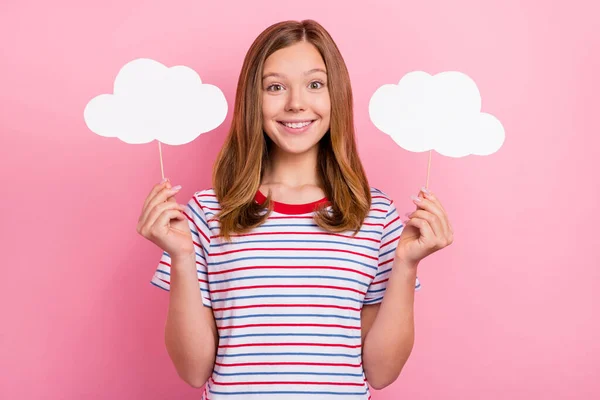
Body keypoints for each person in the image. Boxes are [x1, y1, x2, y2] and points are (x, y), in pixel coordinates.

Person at [137, 19, 453, 399]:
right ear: (254, 100)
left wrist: (406, 264)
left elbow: (381, 373)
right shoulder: (206, 214)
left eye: (315, 84)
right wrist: (182, 256)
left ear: (337, 94)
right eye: (275, 87)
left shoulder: (376, 216)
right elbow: (192, 371)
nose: (296, 103)